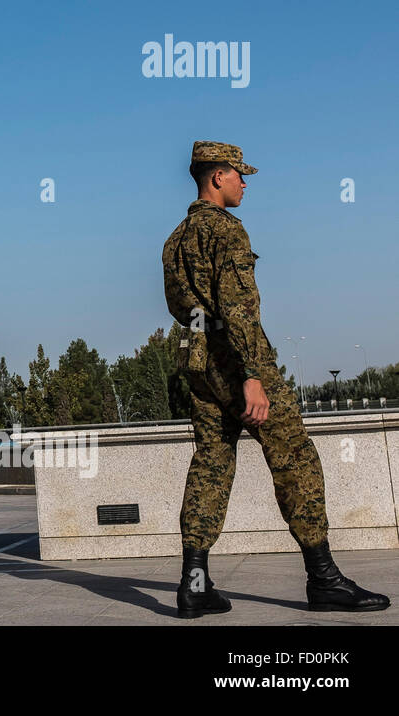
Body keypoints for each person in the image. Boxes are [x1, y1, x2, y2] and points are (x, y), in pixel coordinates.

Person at [162, 141, 390, 617]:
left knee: (211, 465)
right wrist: (251, 374)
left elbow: (182, 310)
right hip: (237, 361)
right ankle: (324, 579)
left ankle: (194, 584)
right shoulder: (227, 231)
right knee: (295, 460)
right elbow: (239, 307)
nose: (244, 183)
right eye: (239, 175)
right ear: (216, 177)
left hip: (200, 362)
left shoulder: (175, 238)